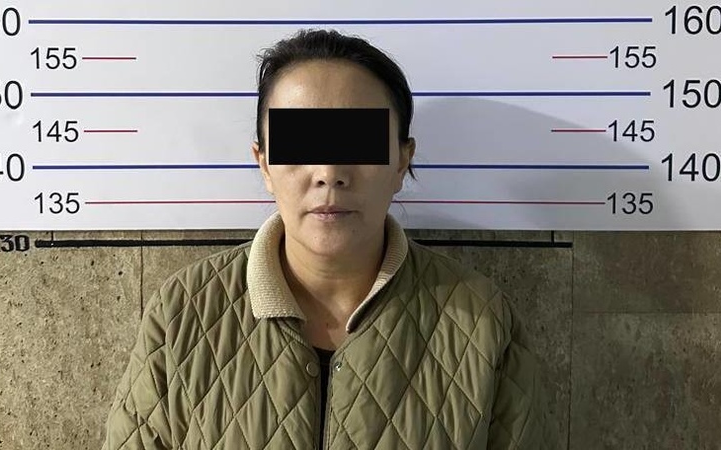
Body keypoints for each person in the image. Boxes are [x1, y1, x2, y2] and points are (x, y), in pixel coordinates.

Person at [102, 28, 546, 449]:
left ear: (401, 161)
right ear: (264, 163)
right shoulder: (182, 313)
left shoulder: (482, 321)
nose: (330, 173)